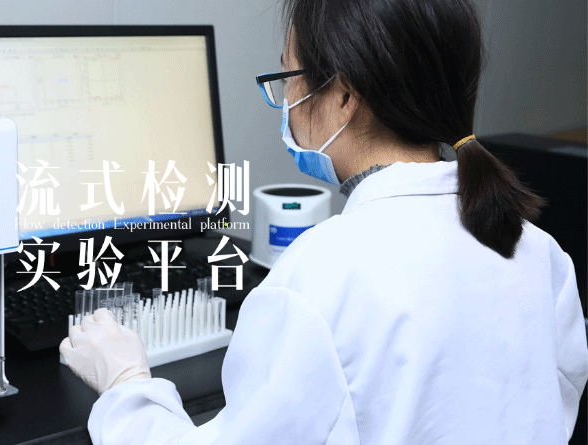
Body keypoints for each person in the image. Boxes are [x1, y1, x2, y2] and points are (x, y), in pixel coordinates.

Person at [60, 0, 588, 442]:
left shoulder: (317, 280)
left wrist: (128, 386)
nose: (286, 101)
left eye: (289, 77)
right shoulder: (539, 253)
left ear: (343, 96)